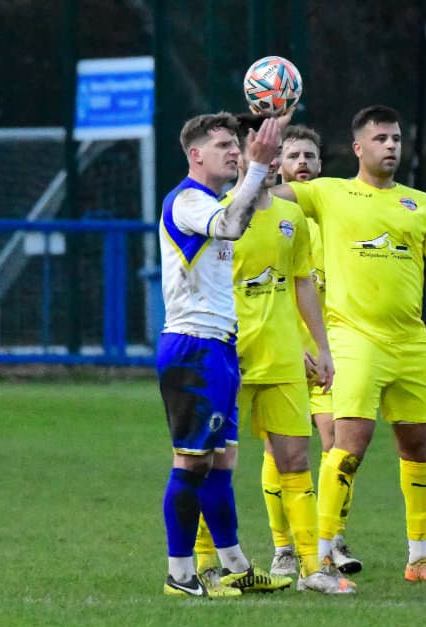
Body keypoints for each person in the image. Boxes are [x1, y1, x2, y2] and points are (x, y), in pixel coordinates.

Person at [273, 105, 426, 587]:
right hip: (353, 337)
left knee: (418, 446)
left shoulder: (422, 204)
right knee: (348, 444)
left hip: (411, 341)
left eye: (396, 138)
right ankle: (320, 559)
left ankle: (419, 559)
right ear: (357, 148)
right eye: (380, 139)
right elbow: (270, 195)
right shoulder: (328, 192)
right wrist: (258, 158)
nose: (391, 146)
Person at [193, 114, 354, 595]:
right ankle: (205, 562)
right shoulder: (219, 216)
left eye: (274, 144)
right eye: (259, 144)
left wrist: (320, 347)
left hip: (284, 354)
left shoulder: (291, 216)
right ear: (243, 154)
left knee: (295, 458)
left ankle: (311, 568)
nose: (269, 151)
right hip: (231, 354)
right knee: (212, 460)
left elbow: (301, 282)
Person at [157, 111, 291, 597]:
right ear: (195, 155)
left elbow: (240, 211)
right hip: (193, 347)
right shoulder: (188, 200)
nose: (234, 151)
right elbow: (233, 226)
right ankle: (180, 575)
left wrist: (262, 155)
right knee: (191, 463)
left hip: (220, 345)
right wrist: (258, 165)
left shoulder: (212, 199)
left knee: (221, 462)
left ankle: (236, 566)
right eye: (222, 146)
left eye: (236, 144)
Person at [263, 124, 363, 577]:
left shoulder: (332, 219)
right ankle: (283, 548)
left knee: (337, 441)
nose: (302, 163)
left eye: (309, 155)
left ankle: (331, 539)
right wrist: (291, 344)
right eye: (293, 155)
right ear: (278, 165)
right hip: (281, 348)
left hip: (327, 351)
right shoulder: (270, 220)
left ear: (322, 164)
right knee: (278, 449)